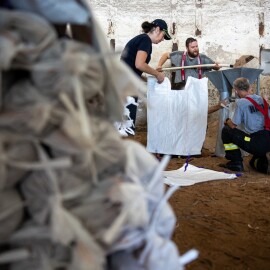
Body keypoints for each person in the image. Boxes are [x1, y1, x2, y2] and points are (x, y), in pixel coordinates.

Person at [117, 19, 171, 136]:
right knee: (126, 127)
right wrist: (157, 74)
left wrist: (149, 80)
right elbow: (139, 64)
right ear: (157, 29)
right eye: (163, 35)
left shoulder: (140, 39)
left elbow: (132, 67)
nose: (162, 39)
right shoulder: (145, 40)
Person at [221, 77, 270, 173]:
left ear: (236, 90)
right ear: (250, 87)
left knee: (226, 130)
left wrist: (227, 120)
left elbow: (233, 125)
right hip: (268, 138)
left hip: (256, 143)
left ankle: (236, 163)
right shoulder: (262, 99)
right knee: (253, 163)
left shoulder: (241, 103)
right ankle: (264, 161)